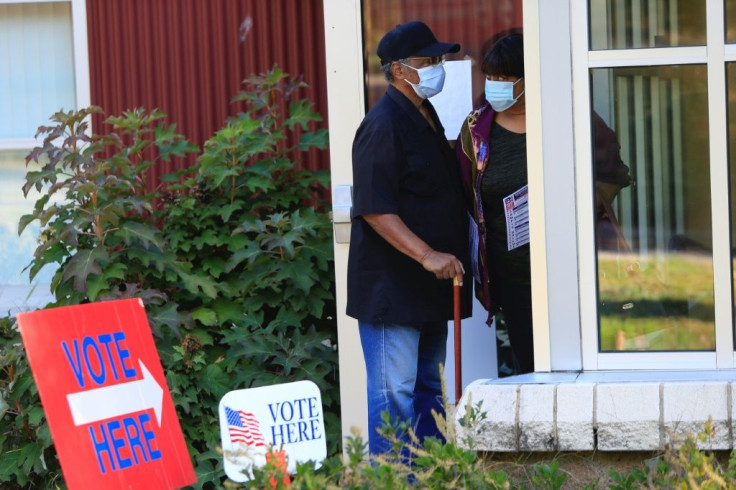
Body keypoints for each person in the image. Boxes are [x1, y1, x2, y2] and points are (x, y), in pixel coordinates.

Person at [456, 32, 631, 375]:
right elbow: (466, 193)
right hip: (511, 274)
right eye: (490, 77)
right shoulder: (477, 129)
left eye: (504, 78)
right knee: (530, 364)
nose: (495, 86)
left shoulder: (567, 118)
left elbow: (613, 176)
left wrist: (564, 202)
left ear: (528, 78)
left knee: (581, 364)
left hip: (569, 269)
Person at [346, 20, 472, 456]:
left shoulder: (425, 114)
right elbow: (375, 208)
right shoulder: (381, 126)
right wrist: (427, 255)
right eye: (428, 61)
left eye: (440, 60)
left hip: (429, 289)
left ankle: (431, 478)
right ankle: (394, 481)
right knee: (394, 396)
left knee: (428, 394)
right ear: (399, 70)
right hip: (393, 289)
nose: (438, 67)